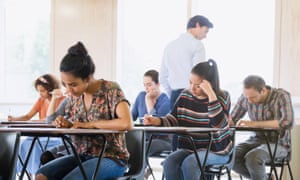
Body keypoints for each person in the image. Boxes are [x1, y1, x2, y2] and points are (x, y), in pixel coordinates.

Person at [36, 41, 133, 180]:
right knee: (41, 175)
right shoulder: (74, 97)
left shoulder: (111, 90)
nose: (68, 90)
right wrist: (67, 124)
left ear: (87, 78)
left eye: (73, 85)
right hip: (82, 156)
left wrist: (91, 124)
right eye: (65, 85)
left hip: (113, 158)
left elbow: (126, 123)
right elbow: (56, 121)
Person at [144, 59, 232, 180]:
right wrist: (156, 121)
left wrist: (211, 94)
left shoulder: (223, 97)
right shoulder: (185, 95)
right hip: (190, 148)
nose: (192, 88)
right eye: (190, 82)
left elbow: (219, 125)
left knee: (190, 163)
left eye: (197, 85)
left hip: (217, 151)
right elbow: (173, 119)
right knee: (169, 162)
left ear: (209, 84)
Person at [230, 75, 294, 180]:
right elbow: (232, 119)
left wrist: (254, 124)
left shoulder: (281, 96)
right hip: (255, 141)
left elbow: (288, 122)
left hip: (279, 144)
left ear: (263, 90)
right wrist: (228, 120)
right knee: (230, 156)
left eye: (252, 97)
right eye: (247, 98)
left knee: (253, 157)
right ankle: (266, 178)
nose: (249, 101)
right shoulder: (247, 97)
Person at [8, 74, 65, 175]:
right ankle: (27, 172)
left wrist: (35, 121)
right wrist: (14, 119)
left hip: (55, 136)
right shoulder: (41, 100)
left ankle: (38, 172)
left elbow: (50, 120)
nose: (40, 94)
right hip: (42, 133)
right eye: (39, 91)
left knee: (36, 145)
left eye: (42, 91)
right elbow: (28, 116)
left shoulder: (62, 100)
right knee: (25, 143)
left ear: (50, 89)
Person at [159, 15, 213, 109]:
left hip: (174, 96)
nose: (205, 36)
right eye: (205, 31)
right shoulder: (197, 45)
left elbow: (162, 77)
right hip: (192, 95)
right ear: (197, 25)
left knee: (175, 123)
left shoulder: (169, 46)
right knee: (193, 124)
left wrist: (172, 94)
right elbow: (199, 75)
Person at [131, 69, 172, 179]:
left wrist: (149, 101)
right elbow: (131, 117)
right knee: (131, 146)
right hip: (144, 139)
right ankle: (136, 173)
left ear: (158, 84)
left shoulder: (165, 101)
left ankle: (138, 177)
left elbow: (155, 125)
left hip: (163, 140)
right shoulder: (141, 96)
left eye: (149, 85)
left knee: (140, 148)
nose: (146, 88)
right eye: (144, 85)